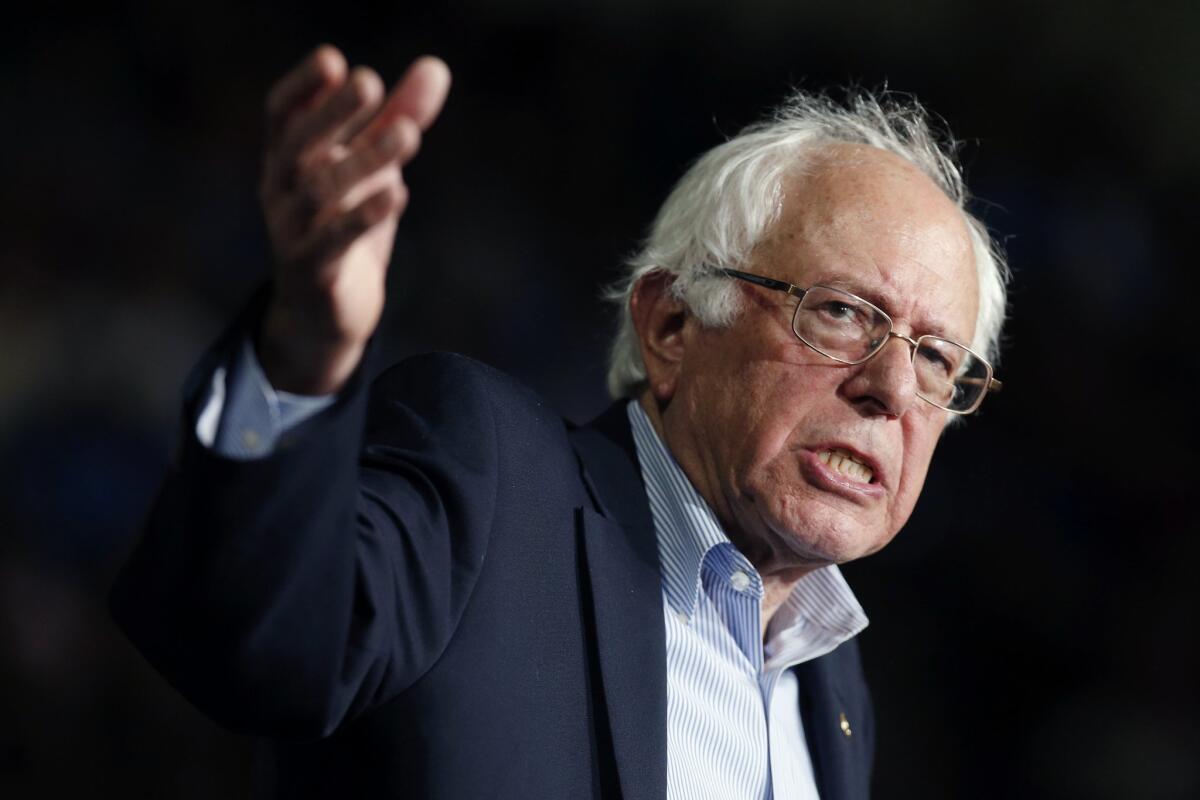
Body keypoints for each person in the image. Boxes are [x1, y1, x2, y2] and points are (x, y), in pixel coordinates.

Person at [112, 45, 1007, 800]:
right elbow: (252, 646)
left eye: (937, 358)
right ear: (671, 325)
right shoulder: (492, 480)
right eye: (844, 311)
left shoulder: (834, 684)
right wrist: (305, 350)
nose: (893, 386)